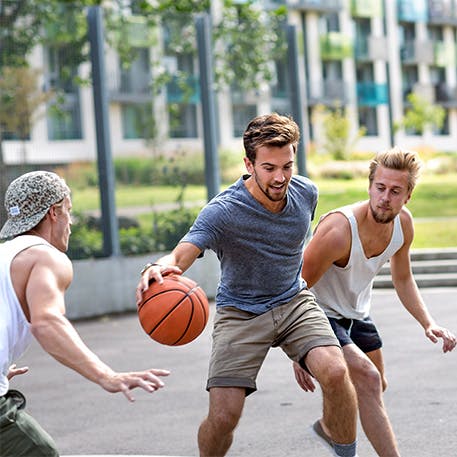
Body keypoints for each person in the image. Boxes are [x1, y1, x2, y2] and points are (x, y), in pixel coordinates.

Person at [136, 113, 358, 457]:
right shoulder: (223, 211)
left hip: (293, 300)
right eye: (269, 168)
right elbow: (181, 255)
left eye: (288, 165)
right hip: (240, 311)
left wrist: (304, 351)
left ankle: (341, 445)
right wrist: (157, 267)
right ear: (248, 163)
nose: (280, 177)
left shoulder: (306, 193)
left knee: (334, 370)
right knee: (225, 416)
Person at [293, 146, 456, 456]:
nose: (385, 197)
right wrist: (298, 349)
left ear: (408, 196)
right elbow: (296, 288)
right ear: (369, 186)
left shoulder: (403, 225)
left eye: (395, 191)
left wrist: (428, 323)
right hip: (317, 312)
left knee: (376, 385)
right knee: (366, 379)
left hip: (355, 311)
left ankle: (329, 425)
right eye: (380, 188)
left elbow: (403, 278)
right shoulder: (338, 231)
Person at [0, 171, 170, 457]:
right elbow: (47, 323)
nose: (71, 223)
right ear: (54, 213)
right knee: (38, 451)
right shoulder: (47, 257)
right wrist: (107, 376)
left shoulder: (5, 254)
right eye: (69, 211)